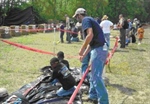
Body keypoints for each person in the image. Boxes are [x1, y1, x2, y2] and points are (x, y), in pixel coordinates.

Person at [73, 8, 109, 104]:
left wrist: (81, 49)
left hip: (99, 49)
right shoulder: (90, 20)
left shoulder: (85, 20)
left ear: (79, 15)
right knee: (94, 76)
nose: (77, 19)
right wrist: (84, 55)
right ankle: (93, 96)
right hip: (98, 48)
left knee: (96, 77)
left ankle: (104, 101)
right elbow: (91, 44)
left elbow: (90, 35)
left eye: (76, 17)